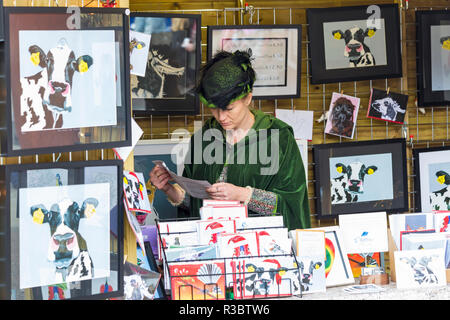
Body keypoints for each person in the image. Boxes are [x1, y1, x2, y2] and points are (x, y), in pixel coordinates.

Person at [149, 49, 310, 230]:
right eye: (213, 108)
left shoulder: (279, 137)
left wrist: (242, 194)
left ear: (248, 98)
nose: (221, 117)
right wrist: (170, 190)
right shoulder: (203, 138)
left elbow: (292, 205)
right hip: (211, 244)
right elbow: (194, 204)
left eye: (229, 109)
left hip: (261, 249)